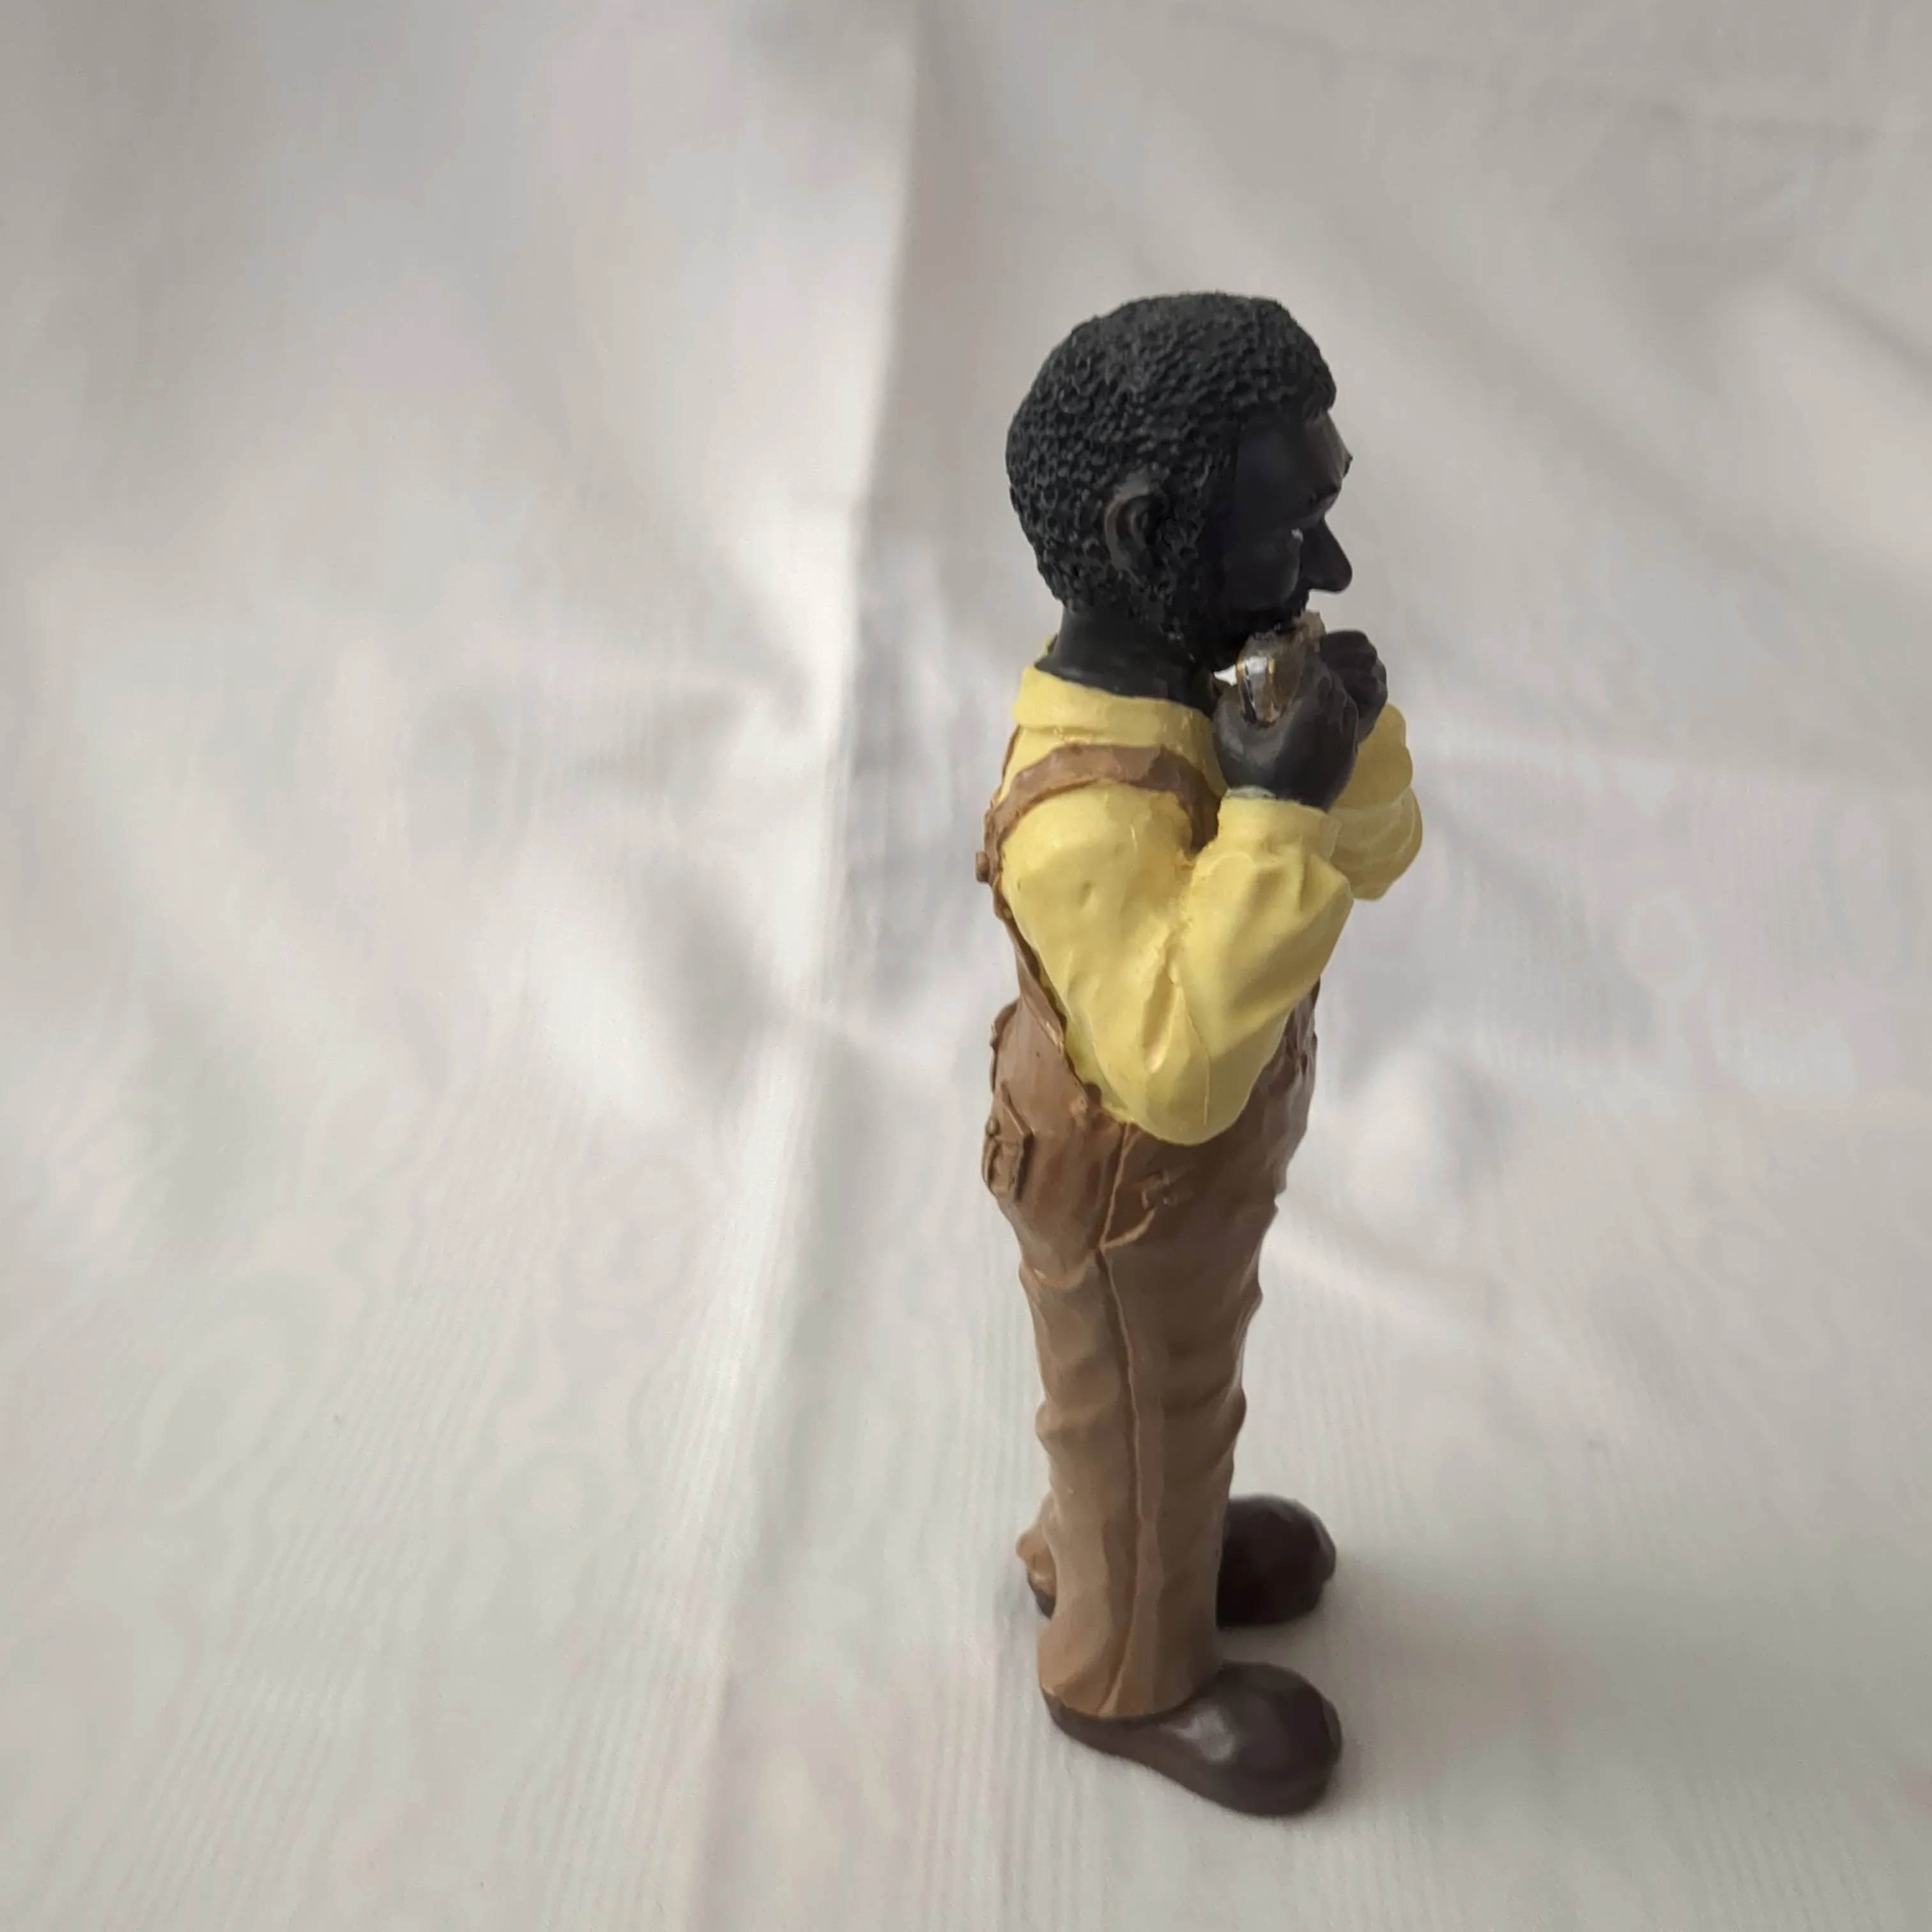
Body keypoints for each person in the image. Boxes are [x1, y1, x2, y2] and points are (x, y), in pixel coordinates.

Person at [981, 292, 1423, 1814]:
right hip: (1129, 1178)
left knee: (1164, 1392)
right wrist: (1281, 813)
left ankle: (1126, 1545)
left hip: (1193, 1169)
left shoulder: (1208, 694)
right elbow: (1173, 1069)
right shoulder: (1082, 808)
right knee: (1141, 1391)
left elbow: (1382, 859)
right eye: (1291, 526)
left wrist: (1343, 752)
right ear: (1144, 533)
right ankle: (1124, 1675)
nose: (1330, 567)